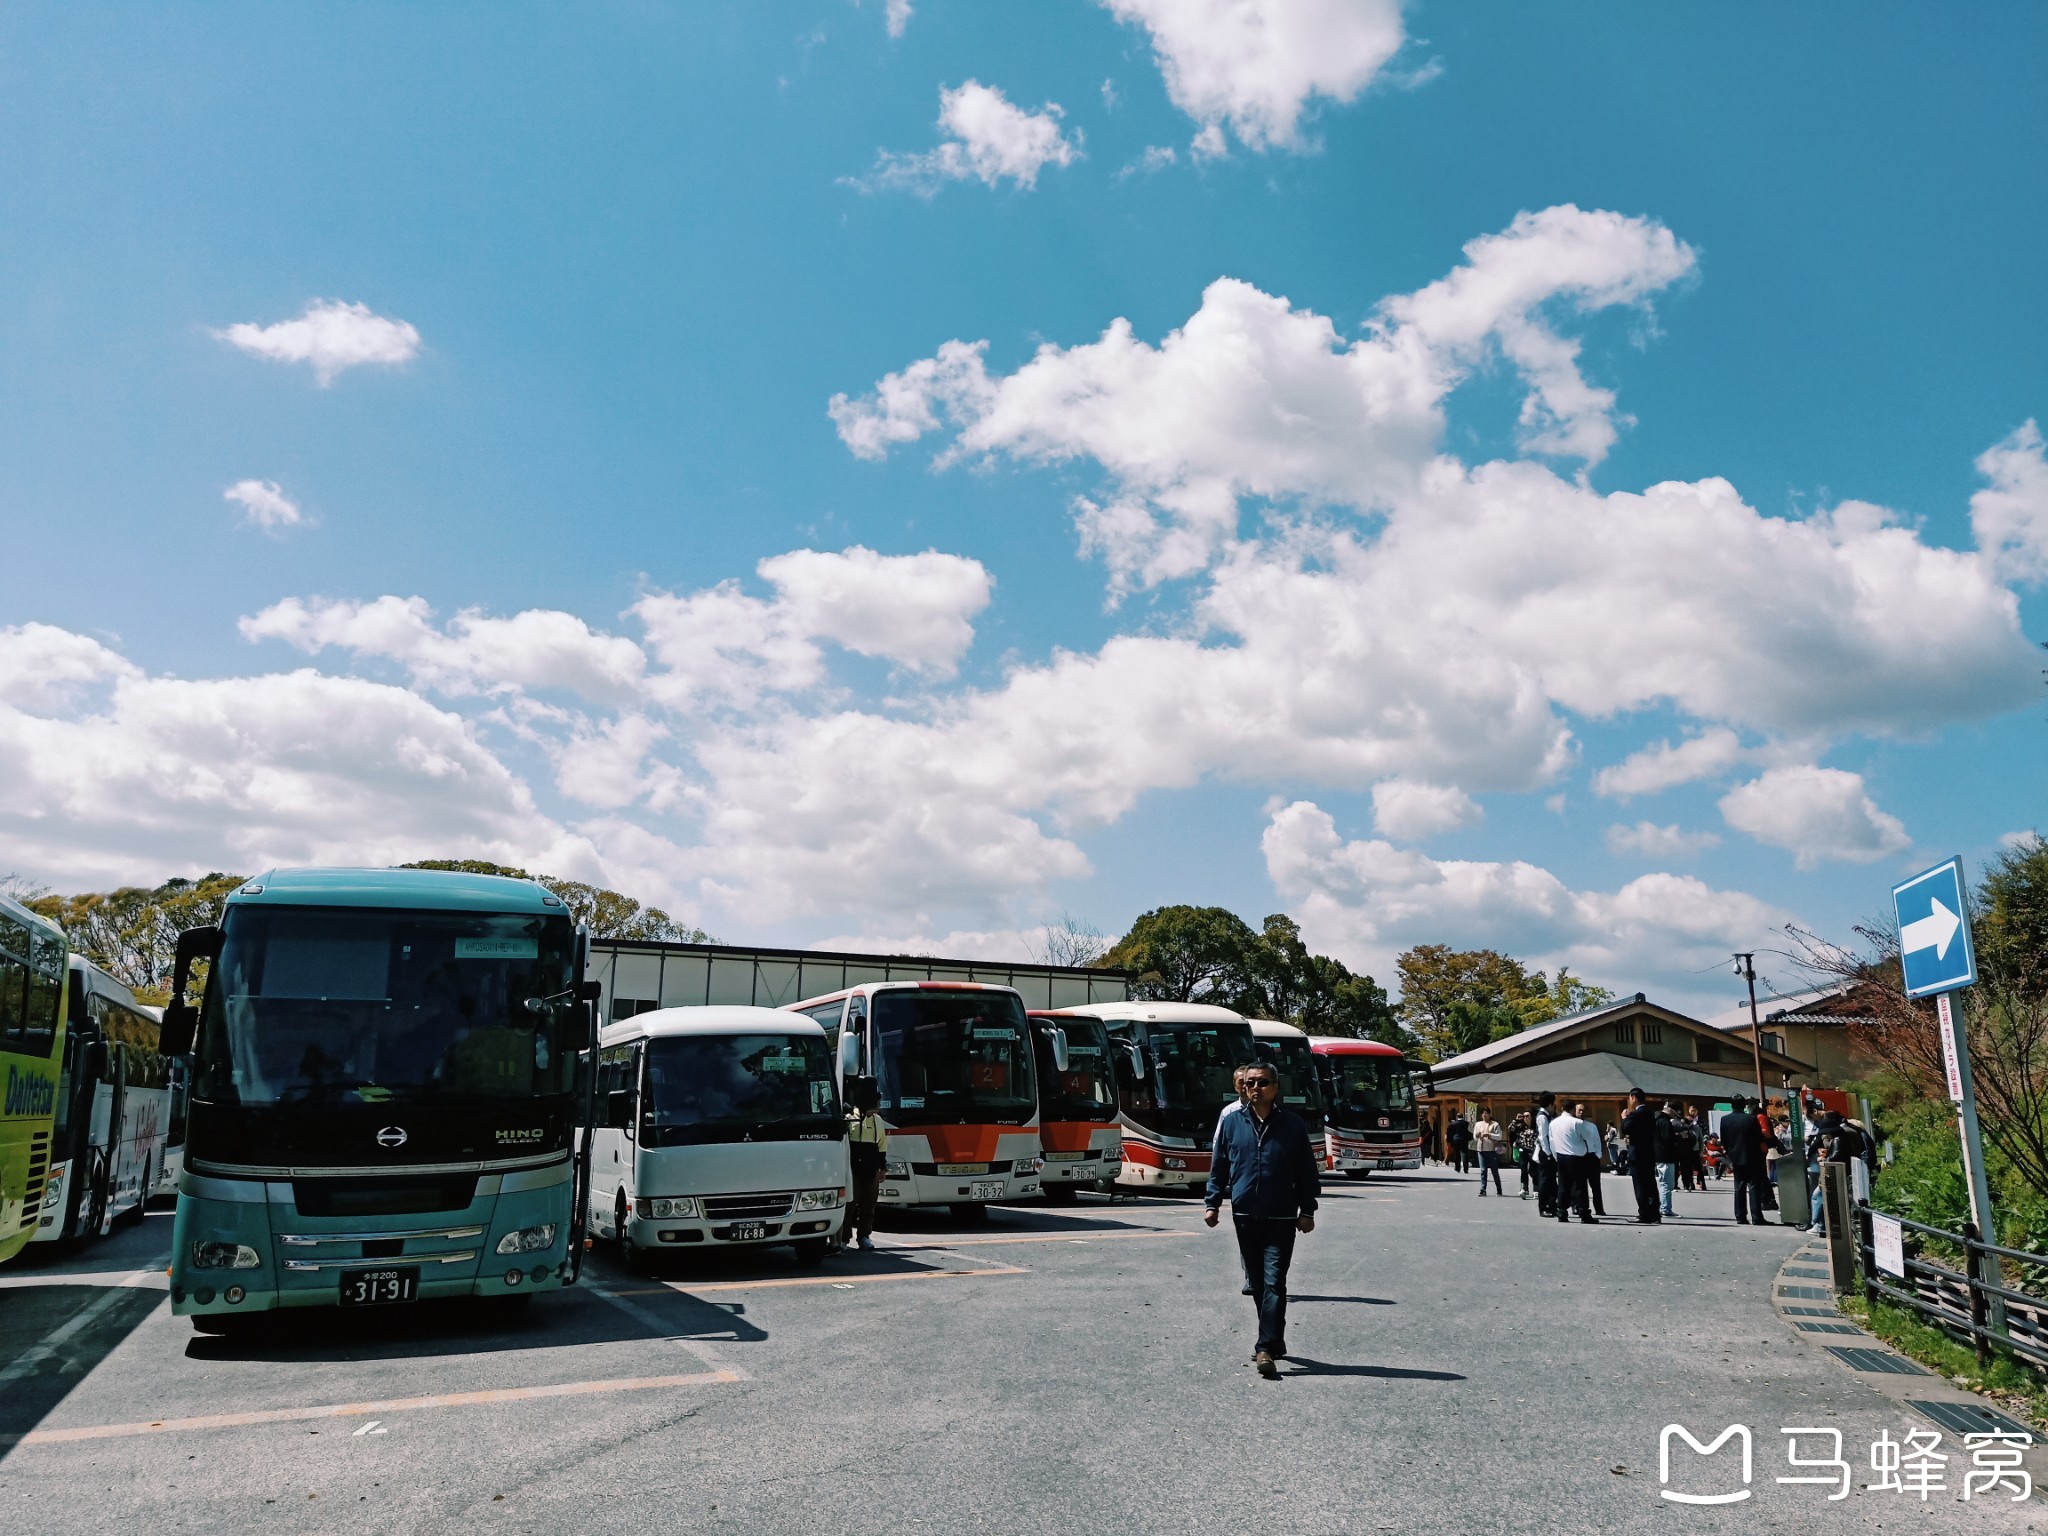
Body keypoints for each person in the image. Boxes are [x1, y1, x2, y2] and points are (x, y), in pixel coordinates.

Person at [1204, 1062, 1320, 1378]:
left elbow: (1307, 1171)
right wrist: (1212, 1203)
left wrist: (1307, 1210)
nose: (1254, 1088)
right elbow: (1220, 1168)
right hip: (1244, 1216)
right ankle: (1273, 1336)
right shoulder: (1232, 1123)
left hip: (1282, 1216)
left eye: (1262, 1082)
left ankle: (1265, 1347)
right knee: (1256, 1283)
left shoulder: (1293, 1126)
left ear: (1275, 1088)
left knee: (1274, 1281)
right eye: (1250, 1083)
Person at [845, 1076, 889, 1251]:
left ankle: (864, 1236)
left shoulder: (878, 1121)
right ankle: (844, 1238)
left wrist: (882, 1168)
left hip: (871, 1169)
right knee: (849, 1205)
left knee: (869, 1206)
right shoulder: (850, 1118)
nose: (878, 1106)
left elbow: (882, 1146)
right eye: (876, 1101)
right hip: (853, 1169)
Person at [1719, 1096, 1769, 1225]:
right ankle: (1757, 1217)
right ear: (1744, 1105)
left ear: (1731, 1105)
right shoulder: (1751, 1119)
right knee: (1754, 1186)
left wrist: (1730, 1153)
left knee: (1739, 1186)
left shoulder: (1725, 1120)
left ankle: (1740, 1216)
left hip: (1735, 1157)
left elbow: (1724, 1140)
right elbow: (1759, 1138)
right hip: (1752, 1156)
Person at [1549, 1101, 1600, 1224]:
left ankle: (1561, 1212)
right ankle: (1584, 1213)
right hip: (1577, 1157)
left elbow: (1551, 1141)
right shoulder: (1577, 1123)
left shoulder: (1553, 1123)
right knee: (1580, 1186)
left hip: (1561, 1155)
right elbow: (1588, 1137)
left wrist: (1556, 1155)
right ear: (1572, 1109)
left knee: (1563, 1185)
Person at [1620, 1089, 1662, 1224]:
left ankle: (1644, 1213)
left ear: (1633, 1098)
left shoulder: (1635, 1114)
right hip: (1648, 1152)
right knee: (1650, 1183)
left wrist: (1624, 1118)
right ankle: (1655, 1213)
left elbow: (1625, 1128)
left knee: (1640, 1185)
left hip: (1637, 1153)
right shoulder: (1650, 1114)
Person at [1577, 1103, 1607, 1218]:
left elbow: (1597, 1141)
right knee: (1579, 1185)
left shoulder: (1591, 1126)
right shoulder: (1574, 1125)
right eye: (1579, 1110)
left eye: (1583, 1110)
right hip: (1579, 1157)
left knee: (1595, 1185)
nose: (1581, 1112)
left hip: (1592, 1156)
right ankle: (1579, 1207)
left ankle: (1599, 1208)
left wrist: (1597, 1155)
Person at [1533, 1093, 1558, 1217]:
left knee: (1552, 1181)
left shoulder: (1548, 1115)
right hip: (1545, 1152)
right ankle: (1543, 1207)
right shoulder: (1542, 1117)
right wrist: (1548, 1153)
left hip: (1549, 1152)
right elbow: (1543, 1137)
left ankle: (1552, 1206)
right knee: (1545, 1181)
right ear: (1549, 1104)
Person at [1654, 1100, 1681, 1218]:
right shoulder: (1665, 1122)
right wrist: (1678, 1137)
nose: (1674, 1116)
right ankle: (1665, 1209)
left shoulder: (1656, 1120)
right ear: (1670, 1110)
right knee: (1666, 1184)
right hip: (1666, 1156)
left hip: (1659, 1155)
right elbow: (1667, 1139)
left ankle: (1663, 1207)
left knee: (1663, 1183)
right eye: (1674, 1113)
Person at [1473, 1110, 1504, 1196]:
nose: (1484, 1115)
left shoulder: (1495, 1124)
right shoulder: (1478, 1124)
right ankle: (1483, 1190)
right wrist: (1478, 1135)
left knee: (1494, 1171)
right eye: (1483, 1113)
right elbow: (1475, 1137)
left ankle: (1499, 1189)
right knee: (1483, 1170)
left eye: (1486, 1113)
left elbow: (1499, 1136)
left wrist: (1489, 1135)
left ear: (1490, 1114)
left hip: (1492, 1150)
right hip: (1481, 1150)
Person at [1514, 1114, 1539, 1199]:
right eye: (1524, 1116)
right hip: (1523, 1150)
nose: (1525, 1118)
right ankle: (1524, 1188)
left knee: (1533, 1170)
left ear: (1532, 1117)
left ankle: (1536, 1190)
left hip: (1533, 1150)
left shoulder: (1536, 1127)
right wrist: (1516, 1120)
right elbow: (1510, 1128)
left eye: (1527, 1116)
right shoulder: (1521, 1127)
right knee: (1523, 1169)